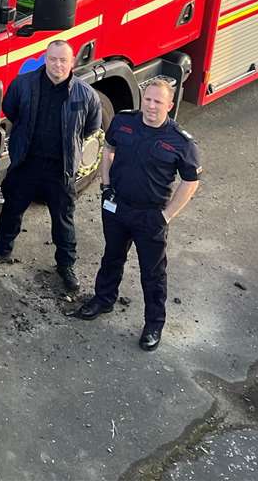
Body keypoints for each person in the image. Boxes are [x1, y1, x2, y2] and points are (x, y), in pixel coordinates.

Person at [70, 79, 200, 350]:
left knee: (152, 273)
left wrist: (166, 216)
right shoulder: (123, 122)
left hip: (150, 217)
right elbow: (108, 150)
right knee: (112, 257)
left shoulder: (180, 142)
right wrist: (106, 187)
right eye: (148, 100)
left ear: (170, 105)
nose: (151, 107)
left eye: (158, 102)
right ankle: (103, 299)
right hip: (117, 207)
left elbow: (191, 181)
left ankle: (154, 324)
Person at [0, 40, 104, 294]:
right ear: (45, 59)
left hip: (61, 170)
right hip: (27, 163)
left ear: (72, 62)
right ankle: (1, 250)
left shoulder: (85, 94)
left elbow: (91, 127)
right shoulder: (24, 84)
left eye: (63, 60)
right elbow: (11, 110)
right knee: (12, 210)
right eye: (53, 59)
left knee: (64, 220)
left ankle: (66, 265)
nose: (57, 65)